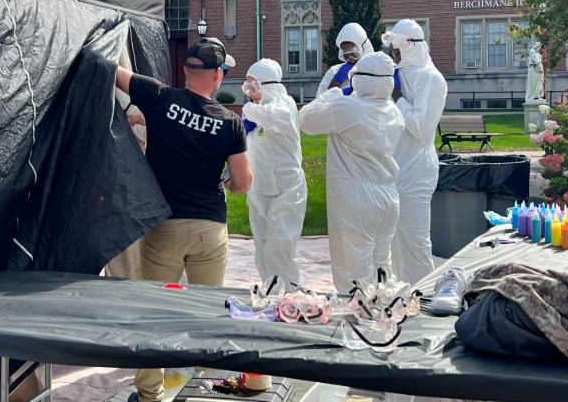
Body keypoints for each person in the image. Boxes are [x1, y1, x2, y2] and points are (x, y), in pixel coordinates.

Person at [116, 38, 252, 402]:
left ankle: (150, 394)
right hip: (209, 228)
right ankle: (207, 384)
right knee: (207, 310)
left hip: (165, 227)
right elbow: (241, 183)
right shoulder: (230, 123)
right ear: (218, 76)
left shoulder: (160, 98)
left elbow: (113, 71)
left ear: (187, 70)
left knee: (154, 313)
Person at [299, 52, 405, 292]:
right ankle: (385, 315)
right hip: (388, 195)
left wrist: (331, 95)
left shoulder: (347, 107)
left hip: (357, 198)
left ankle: (360, 323)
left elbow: (305, 120)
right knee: (382, 266)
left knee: (354, 274)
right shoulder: (393, 110)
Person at [382, 19, 447, 285]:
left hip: (417, 172)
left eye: (398, 50)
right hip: (394, 169)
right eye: (393, 52)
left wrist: (397, 97)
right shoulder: (397, 76)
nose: (395, 56)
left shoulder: (432, 80)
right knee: (394, 243)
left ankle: (424, 296)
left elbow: (421, 128)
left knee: (416, 241)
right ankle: (401, 295)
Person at [240, 58, 307, 287]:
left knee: (280, 246)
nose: (250, 93)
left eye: (253, 86)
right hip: (260, 188)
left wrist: (248, 112)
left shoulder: (284, 104)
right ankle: (269, 291)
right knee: (263, 246)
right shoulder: (255, 113)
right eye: (247, 87)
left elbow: (270, 116)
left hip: (286, 189)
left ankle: (289, 293)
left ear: (267, 85)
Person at [316, 22, 374, 97]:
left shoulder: (375, 71)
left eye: (353, 54)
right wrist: (336, 81)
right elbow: (320, 103)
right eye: (346, 56)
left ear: (364, 49)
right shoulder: (333, 72)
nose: (350, 59)